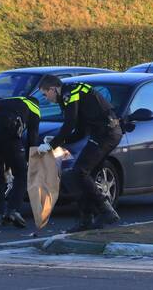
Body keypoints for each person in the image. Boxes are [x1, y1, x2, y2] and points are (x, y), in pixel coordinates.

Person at [36, 75, 123, 232]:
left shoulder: (70, 93)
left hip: (106, 133)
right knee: (82, 176)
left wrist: (51, 145)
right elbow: (80, 130)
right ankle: (86, 220)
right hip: (104, 133)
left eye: (45, 94)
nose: (46, 98)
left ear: (53, 89)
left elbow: (70, 124)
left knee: (79, 172)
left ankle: (106, 211)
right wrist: (61, 143)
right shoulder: (71, 95)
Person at [0, 95, 41, 228]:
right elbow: (32, 136)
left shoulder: (2, 102)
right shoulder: (34, 106)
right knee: (21, 173)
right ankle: (13, 210)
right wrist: (30, 159)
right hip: (8, 135)